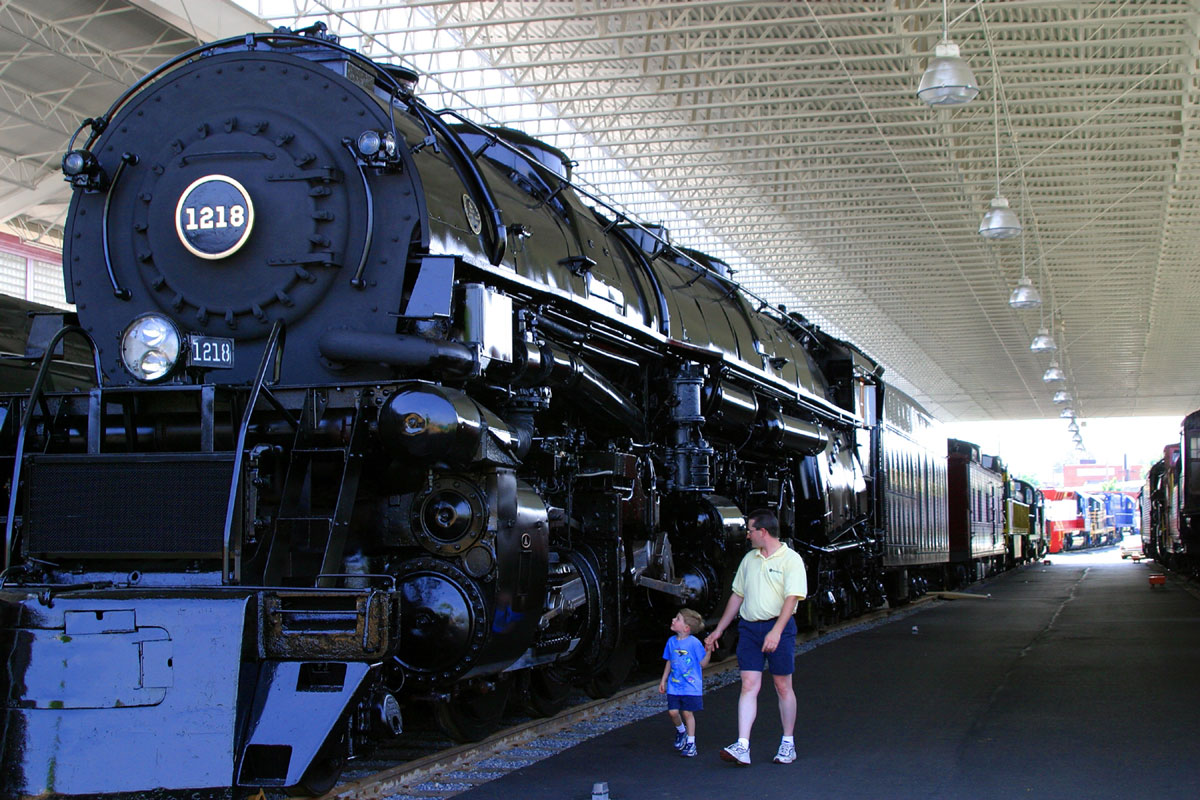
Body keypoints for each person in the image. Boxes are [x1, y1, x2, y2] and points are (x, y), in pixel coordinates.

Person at [704, 508, 807, 766]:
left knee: (783, 686)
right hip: (750, 629)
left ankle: (787, 743)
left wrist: (776, 631)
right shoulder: (749, 560)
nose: (747, 535)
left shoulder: (791, 559)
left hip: (778, 628)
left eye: (750, 530)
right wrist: (719, 629)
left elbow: (791, 598)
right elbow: (737, 596)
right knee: (749, 684)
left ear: (763, 531)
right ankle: (743, 745)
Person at [658, 608, 712, 757]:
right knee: (673, 712)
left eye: (678, 619)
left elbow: (703, 664)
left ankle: (691, 743)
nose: (673, 620)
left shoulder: (694, 643)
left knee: (688, 713)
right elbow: (669, 661)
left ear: (686, 628)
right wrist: (663, 680)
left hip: (690, 686)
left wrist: (708, 651)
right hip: (674, 685)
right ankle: (681, 731)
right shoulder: (671, 642)